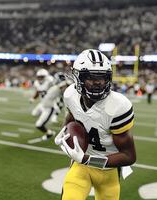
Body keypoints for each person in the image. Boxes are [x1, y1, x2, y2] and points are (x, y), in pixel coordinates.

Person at [55, 49, 136, 200]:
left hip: (108, 171)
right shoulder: (70, 95)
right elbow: (73, 114)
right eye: (90, 77)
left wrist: (86, 159)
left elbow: (129, 156)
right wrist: (64, 130)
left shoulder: (118, 106)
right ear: (77, 77)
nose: (98, 82)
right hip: (81, 167)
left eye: (102, 77)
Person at [28, 73, 72, 144]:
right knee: (34, 113)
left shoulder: (59, 87)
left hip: (49, 108)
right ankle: (47, 122)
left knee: (39, 125)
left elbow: (66, 84)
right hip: (42, 105)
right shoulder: (51, 84)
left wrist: (66, 82)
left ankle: (50, 133)